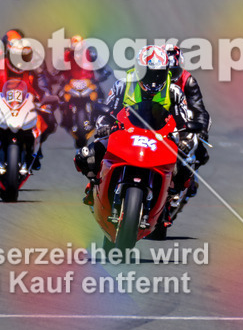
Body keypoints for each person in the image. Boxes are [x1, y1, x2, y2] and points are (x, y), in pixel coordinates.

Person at [75, 45, 202, 206]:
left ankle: (170, 197)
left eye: (159, 74)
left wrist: (185, 141)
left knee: (185, 171)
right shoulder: (123, 85)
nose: (154, 79)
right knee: (85, 156)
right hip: (124, 136)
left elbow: (184, 122)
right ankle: (94, 184)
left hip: (160, 141)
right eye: (149, 74)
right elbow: (107, 111)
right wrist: (103, 127)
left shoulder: (174, 92)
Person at [0, 31, 55, 169]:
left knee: (50, 120)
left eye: (25, 56)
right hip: (1, 103)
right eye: (17, 56)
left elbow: (43, 85)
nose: (21, 60)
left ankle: (36, 148)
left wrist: (46, 97)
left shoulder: (34, 67)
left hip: (28, 104)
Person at [165, 43, 210, 169]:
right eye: (166, 71)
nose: (169, 76)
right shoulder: (154, 80)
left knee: (200, 155)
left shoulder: (188, 81)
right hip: (160, 120)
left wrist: (201, 132)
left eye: (173, 71)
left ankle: (187, 180)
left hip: (183, 124)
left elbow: (199, 110)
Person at [56, 35, 112, 130]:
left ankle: (100, 117)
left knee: (101, 95)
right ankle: (65, 118)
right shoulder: (65, 56)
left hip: (89, 82)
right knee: (60, 97)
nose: (77, 55)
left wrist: (103, 74)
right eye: (74, 52)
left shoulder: (91, 54)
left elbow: (102, 67)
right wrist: (57, 76)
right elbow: (57, 70)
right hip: (71, 83)